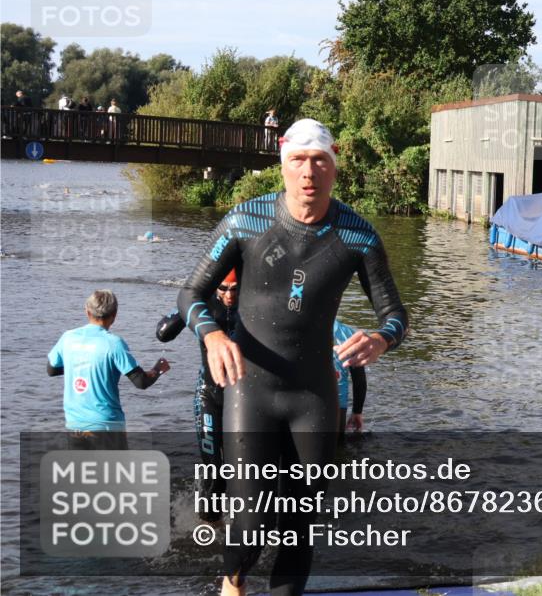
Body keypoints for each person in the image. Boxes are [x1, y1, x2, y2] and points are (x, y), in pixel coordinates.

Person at [177, 118, 407, 596]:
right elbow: (192, 292)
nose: (309, 172)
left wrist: (382, 339)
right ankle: (232, 581)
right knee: (251, 520)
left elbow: (396, 314)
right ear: (283, 167)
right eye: (298, 161)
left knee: (300, 525)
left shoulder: (357, 235)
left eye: (320, 161)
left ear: (334, 169)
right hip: (251, 389)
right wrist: (213, 337)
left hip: (314, 396)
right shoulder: (247, 220)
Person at [157, 270, 240, 522]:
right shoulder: (203, 304)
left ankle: (243, 523)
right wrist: (188, 306)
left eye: (234, 289)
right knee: (213, 467)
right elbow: (163, 333)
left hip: (243, 400)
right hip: (209, 394)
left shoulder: (254, 301)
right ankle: (208, 525)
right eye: (223, 289)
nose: (228, 295)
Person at [47, 290, 170, 450]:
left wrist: (79, 363)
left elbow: (51, 369)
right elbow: (141, 382)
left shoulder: (68, 337)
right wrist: (158, 369)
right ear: (114, 315)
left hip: (75, 425)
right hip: (106, 426)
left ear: (87, 311)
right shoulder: (114, 344)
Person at [333, 320, 367, 438]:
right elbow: (359, 381)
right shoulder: (348, 334)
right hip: (337, 406)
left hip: (303, 400)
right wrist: (357, 411)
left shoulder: (300, 328)